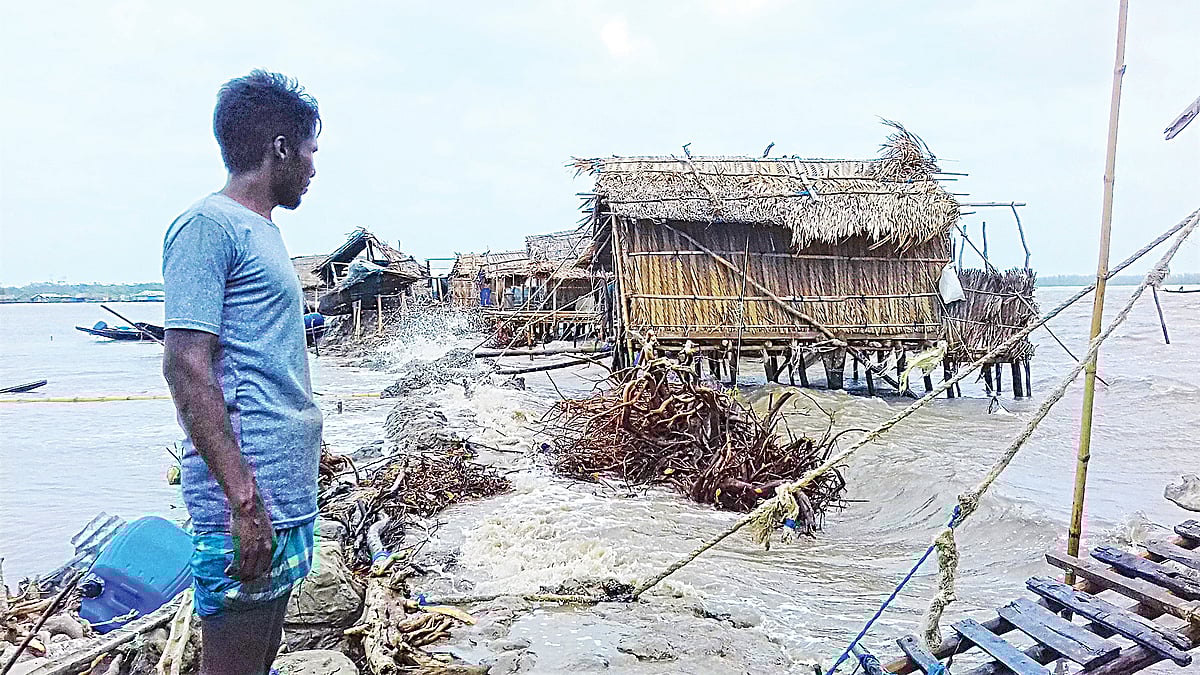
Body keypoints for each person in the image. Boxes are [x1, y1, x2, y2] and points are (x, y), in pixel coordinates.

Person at [162, 70, 323, 675]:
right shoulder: (210, 227)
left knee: (256, 663)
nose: (313, 167)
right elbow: (185, 363)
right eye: (309, 151)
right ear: (279, 147)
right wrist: (241, 497)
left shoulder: (262, 232)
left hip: (281, 494)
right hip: (249, 501)